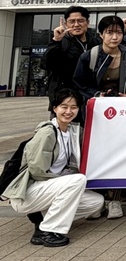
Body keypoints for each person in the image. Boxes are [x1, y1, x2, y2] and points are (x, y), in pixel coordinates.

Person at [1, 89, 104, 247]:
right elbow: (37, 171)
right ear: (55, 108)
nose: (68, 111)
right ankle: (48, 231)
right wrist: (65, 181)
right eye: (64, 107)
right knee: (77, 180)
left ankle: (46, 220)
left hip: (48, 189)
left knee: (96, 202)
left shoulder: (72, 131)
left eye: (73, 107)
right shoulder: (47, 133)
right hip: (28, 193)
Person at [72, 16, 126, 220]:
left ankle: (115, 200)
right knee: (95, 156)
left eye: (119, 32)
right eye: (110, 32)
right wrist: (97, 95)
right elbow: (79, 83)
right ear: (101, 35)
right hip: (95, 115)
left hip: (121, 116)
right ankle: (96, 200)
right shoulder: (90, 56)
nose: (115, 37)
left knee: (118, 155)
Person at [41, 6, 101, 104]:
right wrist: (56, 40)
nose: (76, 25)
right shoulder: (61, 43)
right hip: (64, 98)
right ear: (66, 24)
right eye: (72, 21)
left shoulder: (96, 43)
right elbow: (46, 64)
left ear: (87, 22)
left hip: (89, 95)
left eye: (80, 21)